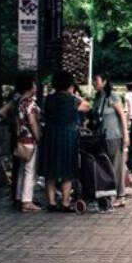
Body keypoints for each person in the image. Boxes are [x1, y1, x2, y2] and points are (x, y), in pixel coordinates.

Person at [37, 71, 91, 212]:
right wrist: (74, 94)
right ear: (69, 84)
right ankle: (66, 203)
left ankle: (52, 202)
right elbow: (88, 106)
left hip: (50, 135)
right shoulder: (73, 99)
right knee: (67, 169)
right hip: (68, 136)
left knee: (51, 169)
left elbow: (43, 114)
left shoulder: (48, 99)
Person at [94, 73, 130, 206]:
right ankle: (110, 193)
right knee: (106, 166)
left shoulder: (112, 96)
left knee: (117, 165)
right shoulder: (98, 97)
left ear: (104, 82)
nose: (94, 83)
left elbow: (122, 115)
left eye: (96, 80)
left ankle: (120, 195)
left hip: (114, 135)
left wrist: (125, 135)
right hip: (102, 136)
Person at [12, 74, 42, 213]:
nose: (36, 87)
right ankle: (27, 201)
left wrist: (18, 136)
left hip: (21, 140)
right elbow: (32, 122)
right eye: (34, 84)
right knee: (30, 171)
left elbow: (17, 122)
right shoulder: (30, 103)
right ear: (30, 87)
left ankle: (19, 198)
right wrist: (38, 137)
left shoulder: (19, 102)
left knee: (22, 170)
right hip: (30, 140)